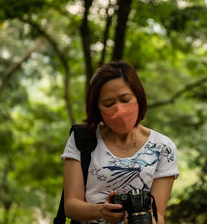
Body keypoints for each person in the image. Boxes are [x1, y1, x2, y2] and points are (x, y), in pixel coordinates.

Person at [61, 60, 179, 224]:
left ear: (138, 97)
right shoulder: (82, 139)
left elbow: (158, 215)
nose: (119, 109)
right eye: (109, 104)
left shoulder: (163, 147)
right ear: (97, 108)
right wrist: (101, 211)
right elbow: (71, 205)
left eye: (125, 99)